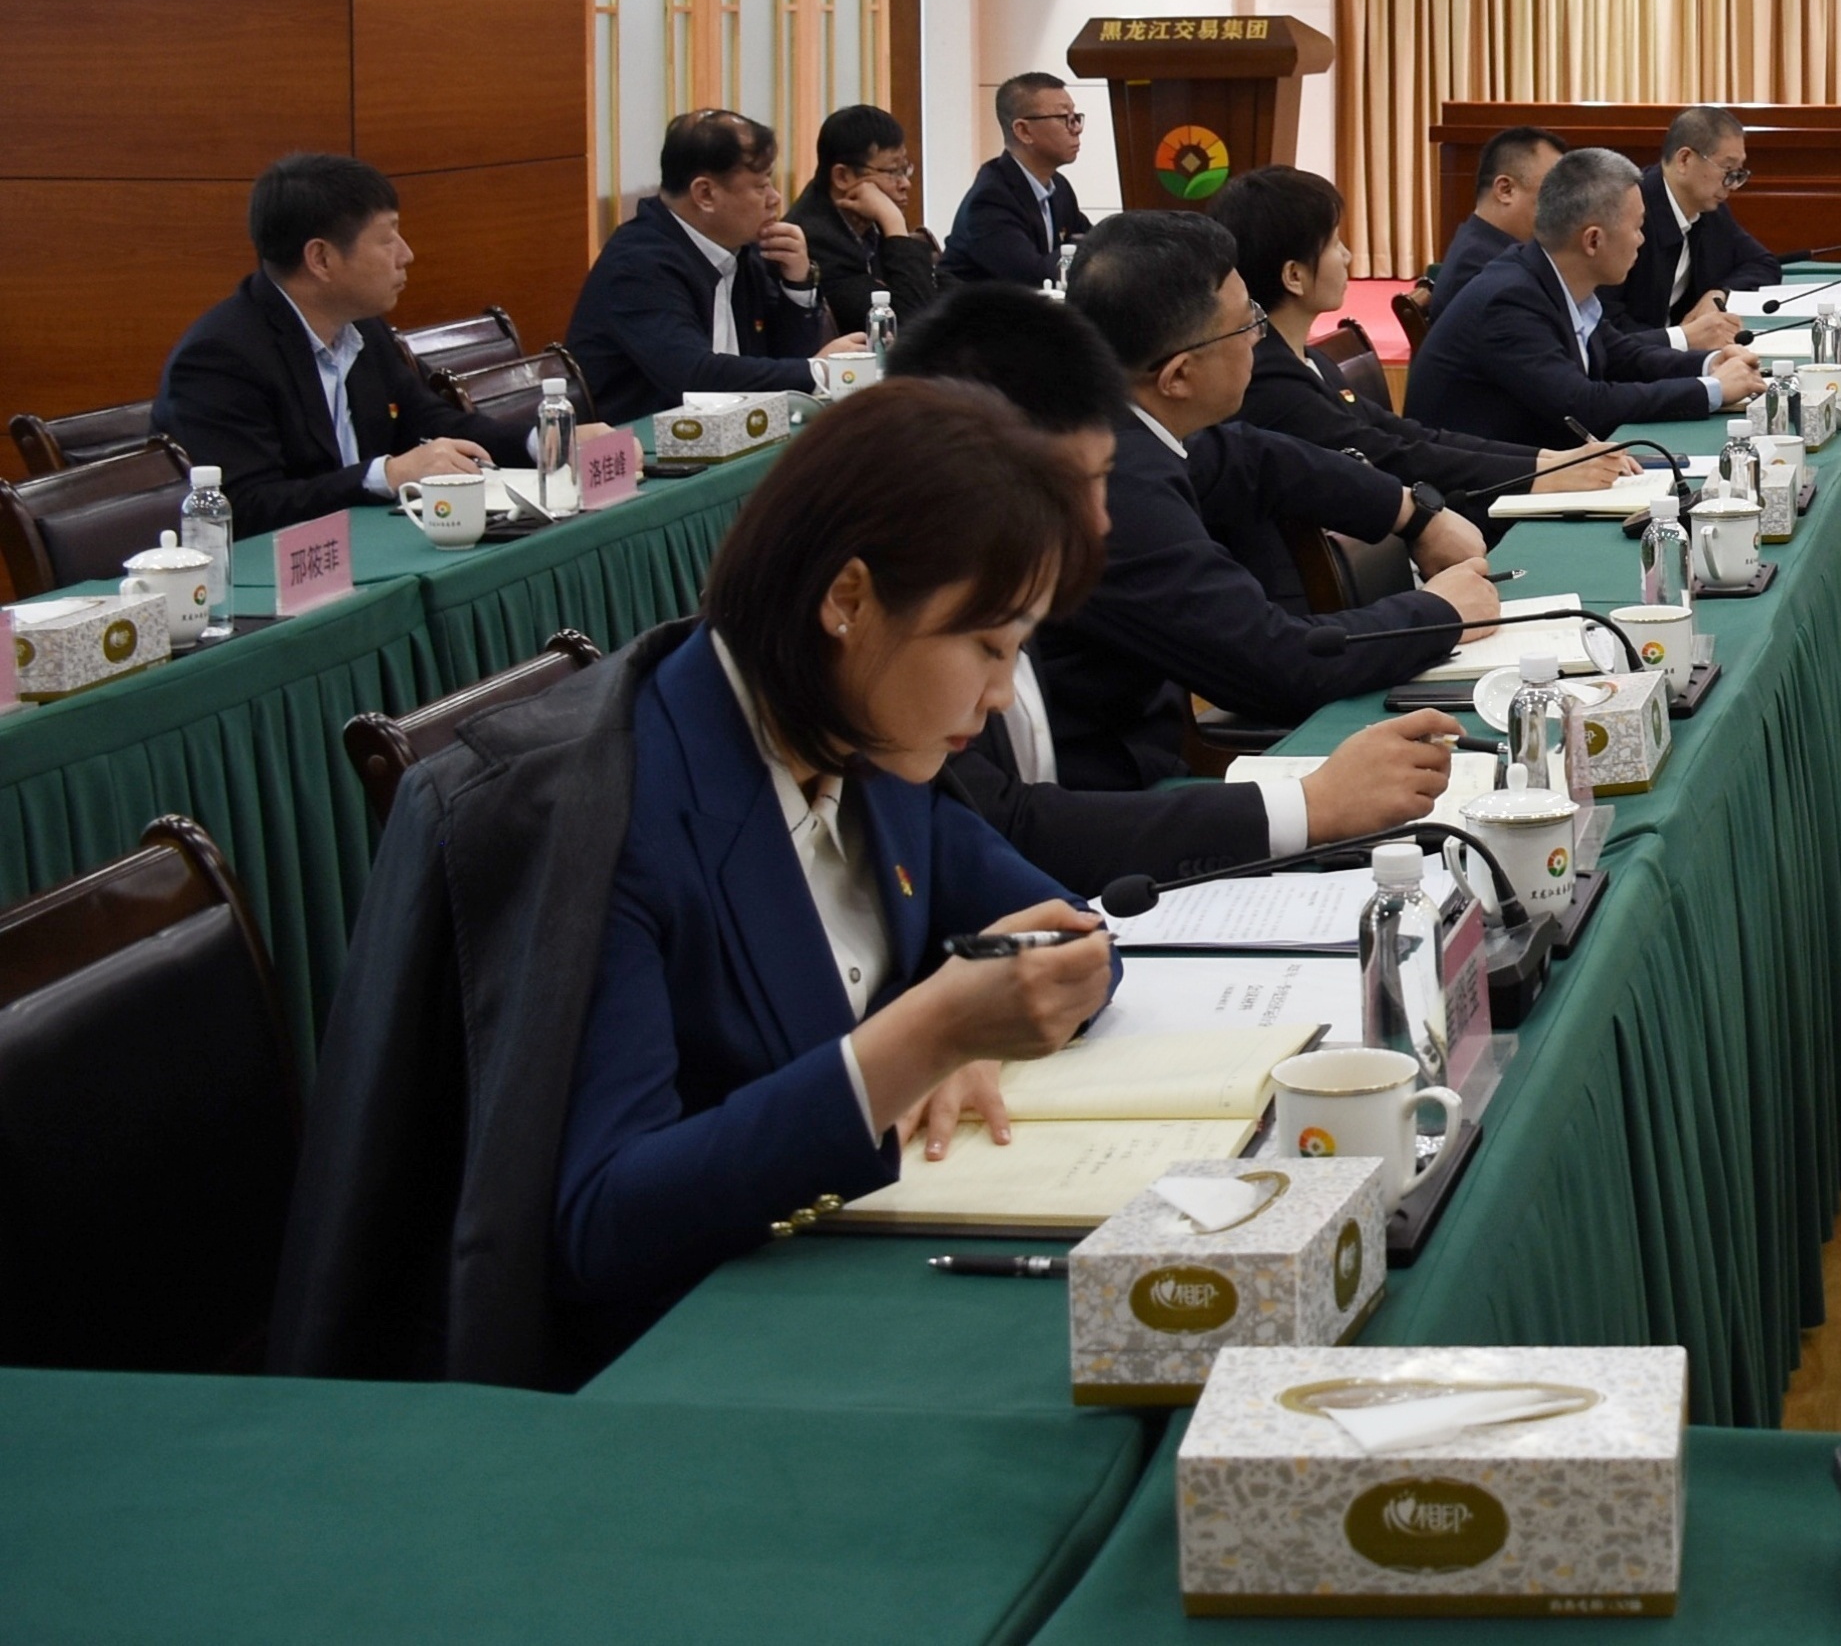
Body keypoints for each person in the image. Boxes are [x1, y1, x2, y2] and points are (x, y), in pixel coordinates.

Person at [552, 379, 1119, 1356]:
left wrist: (987, 1032)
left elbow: (1064, 931)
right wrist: (925, 1038)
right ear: (848, 599)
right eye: (987, 646)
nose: (998, 695)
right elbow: (606, 1220)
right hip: (706, 1346)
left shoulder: (871, 735)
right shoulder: (626, 808)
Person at [883, 283, 1465, 890]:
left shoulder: (1014, 541)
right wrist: (1310, 806)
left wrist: (1406, 510)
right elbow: (1007, 829)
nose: (1101, 521)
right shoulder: (908, 621)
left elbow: (1245, 457)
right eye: (1079, 489)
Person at [1036, 214, 1502, 791]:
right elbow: (1277, 665)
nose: (1260, 337)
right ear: (1178, 375)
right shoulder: (1114, 487)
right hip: (1109, 796)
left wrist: (1411, 512)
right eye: (1246, 324)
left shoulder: (1112, 416)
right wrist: (1440, 613)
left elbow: (1253, 457)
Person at [1215, 164, 1628, 512]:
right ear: (1294, 275)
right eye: (1335, 244)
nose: (1347, 256)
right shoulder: (1270, 378)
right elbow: (1389, 455)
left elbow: (1407, 434)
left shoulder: (1308, 359)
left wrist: (1549, 460)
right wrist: (1541, 473)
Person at [154, 152, 507, 534]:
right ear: (321, 258)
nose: (406, 255)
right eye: (387, 239)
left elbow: (434, 422)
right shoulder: (220, 357)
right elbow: (247, 507)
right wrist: (385, 475)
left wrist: (543, 439)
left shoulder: (362, 330)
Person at [1410, 146, 1772, 450]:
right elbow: (1584, 405)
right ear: (1593, 240)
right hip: (1482, 496)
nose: (1641, 240)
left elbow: (1620, 356)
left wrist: (1709, 364)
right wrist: (1711, 390)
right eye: (1637, 227)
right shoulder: (1510, 300)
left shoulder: (1551, 277)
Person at [564, 109, 852, 422]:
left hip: (732, 431)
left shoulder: (744, 250)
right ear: (705, 194)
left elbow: (782, 361)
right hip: (640, 443)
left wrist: (797, 283)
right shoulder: (637, 265)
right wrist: (817, 370)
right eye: (761, 186)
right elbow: (695, 377)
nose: (775, 198)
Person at [1602, 105, 1779, 348]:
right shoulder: (1626, 213)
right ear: (1684, 159)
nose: (1733, 184)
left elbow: (1763, 263)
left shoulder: (1709, 211)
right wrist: (1683, 339)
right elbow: (1604, 327)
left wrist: (1719, 293)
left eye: (1739, 173)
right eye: (1727, 169)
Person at [785, 104, 943, 335]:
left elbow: (946, 295)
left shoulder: (867, 220)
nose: (905, 183)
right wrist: (893, 221)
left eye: (905, 169)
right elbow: (909, 329)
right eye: (893, 172)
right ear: (843, 176)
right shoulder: (815, 242)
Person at [942, 71, 1094, 288]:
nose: (1076, 128)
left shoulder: (1059, 187)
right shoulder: (990, 200)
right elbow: (1036, 277)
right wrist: (1079, 250)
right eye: (1064, 118)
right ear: (1023, 131)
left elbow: (1093, 238)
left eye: (1076, 117)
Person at [1416, 123, 1566, 330]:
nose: (1563, 206)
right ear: (1505, 190)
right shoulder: (1484, 268)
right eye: (1553, 192)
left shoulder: (1481, 244)